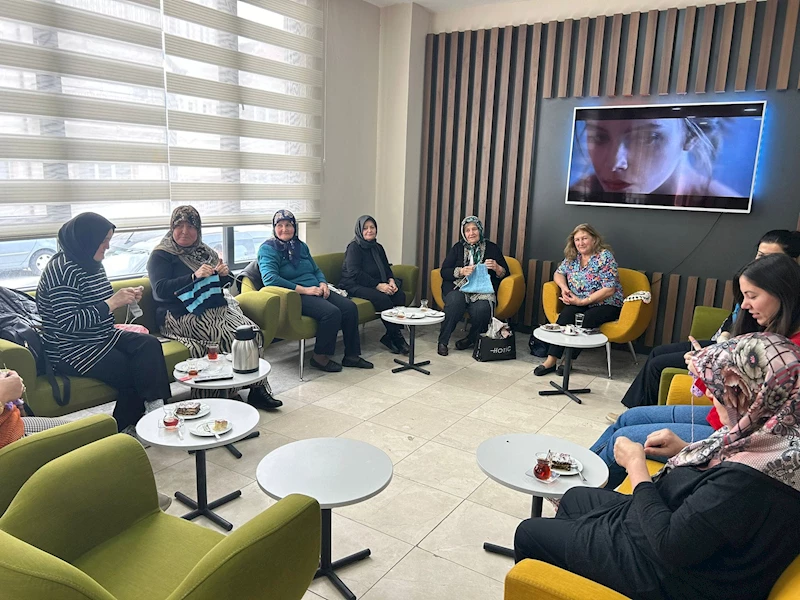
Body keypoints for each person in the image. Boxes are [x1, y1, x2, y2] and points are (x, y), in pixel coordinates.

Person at [515, 332, 800, 600]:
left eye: (720, 392)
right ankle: (569, 571)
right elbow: (718, 491)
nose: (711, 397)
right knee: (576, 497)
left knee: (529, 533)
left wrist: (636, 467)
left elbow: (669, 544)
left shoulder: (747, 482)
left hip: (670, 575)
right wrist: (685, 450)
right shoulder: (774, 440)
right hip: (684, 537)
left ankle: (558, 569)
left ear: (752, 397)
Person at [594, 252, 800, 487]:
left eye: (752, 296)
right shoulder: (773, 332)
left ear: (783, 293)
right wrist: (706, 369)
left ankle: (579, 495)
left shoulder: (788, 352)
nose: (744, 304)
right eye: (743, 296)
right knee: (628, 418)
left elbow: (743, 415)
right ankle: (571, 476)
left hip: (738, 435)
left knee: (622, 439)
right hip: (723, 422)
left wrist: (708, 374)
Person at [619, 229, 800, 411]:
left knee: (657, 365)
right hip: (725, 346)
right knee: (657, 352)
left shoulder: (782, 341)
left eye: (770, 258)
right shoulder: (753, 289)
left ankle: (639, 413)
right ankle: (634, 409)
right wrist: (722, 340)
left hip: (728, 360)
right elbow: (736, 322)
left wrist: (706, 365)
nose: (746, 304)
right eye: (760, 256)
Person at [37, 213, 171, 433]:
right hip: (71, 348)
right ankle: (123, 429)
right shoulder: (62, 271)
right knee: (132, 370)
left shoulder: (92, 262)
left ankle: (155, 409)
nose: (108, 246)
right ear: (87, 240)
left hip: (102, 335)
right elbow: (69, 323)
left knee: (149, 344)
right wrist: (112, 303)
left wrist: (126, 296)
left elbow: (101, 300)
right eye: (104, 240)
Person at [147, 206, 281, 409]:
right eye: (179, 226)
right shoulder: (161, 255)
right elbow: (160, 291)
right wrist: (193, 276)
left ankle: (257, 389)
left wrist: (225, 274)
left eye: (190, 226)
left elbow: (221, 285)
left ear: (198, 229)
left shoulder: (205, 252)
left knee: (251, 333)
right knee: (220, 335)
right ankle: (219, 396)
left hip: (213, 307)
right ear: (172, 227)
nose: (184, 231)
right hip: (177, 314)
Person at [258, 210, 373, 373]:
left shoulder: (301, 246)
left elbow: (316, 269)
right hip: (294, 295)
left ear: (294, 227)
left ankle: (352, 356)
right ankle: (319, 358)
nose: (285, 229)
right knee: (331, 313)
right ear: (274, 228)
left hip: (316, 289)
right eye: (280, 225)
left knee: (349, 307)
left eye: (289, 225)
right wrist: (305, 290)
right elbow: (270, 279)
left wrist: (323, 283)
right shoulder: (268, 249)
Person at [569, 117, 741, 200]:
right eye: (599, 137)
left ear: (690, 137)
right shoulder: (581, 194)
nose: (615, 163)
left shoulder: (725, 209)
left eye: (647, 138)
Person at [534, 224, 623, 376]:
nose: (581, 243)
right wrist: (564, 288)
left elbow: (609, 289)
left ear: (594, 239)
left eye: (584, 238)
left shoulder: (604, 257)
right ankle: (551, 360)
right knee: (565, 316)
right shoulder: (573, 257)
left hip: (606, 303)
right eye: (577, 240)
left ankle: (568, 361)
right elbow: (558, 274)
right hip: (579, 301)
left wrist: (583, 302)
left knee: (587, 319)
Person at [437, 216, 509, 356]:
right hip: (459, 287)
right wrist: (461, 271)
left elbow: (505, 273)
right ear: (464, 233)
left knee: (482, 309)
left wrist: (497, 267)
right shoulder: (458, 248)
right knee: (455, 302)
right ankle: (443, 341)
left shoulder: (492, 248)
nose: (471, 233)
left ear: (480, 230)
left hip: (482, 290)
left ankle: (471, 339)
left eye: (474, 229)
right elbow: (444, 271)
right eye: (467, 230)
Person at [340, 215, 409, 355]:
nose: (369, 231)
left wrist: (391, 281)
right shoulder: (354, 247)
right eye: (365, 228)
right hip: (353, 284)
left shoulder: (378, 247)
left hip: (374, 283)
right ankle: (397, 338)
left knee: (399, 295)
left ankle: (390, 336)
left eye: (372, 227)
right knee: (383, 299)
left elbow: (386, 267)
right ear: (359, 230)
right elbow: (355, 273)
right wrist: (378, 286)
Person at [0, 371, 68, 449]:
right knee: (78, 436)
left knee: (73, 429)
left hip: (13, 423)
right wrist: (3, 393)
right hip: (9, 439)